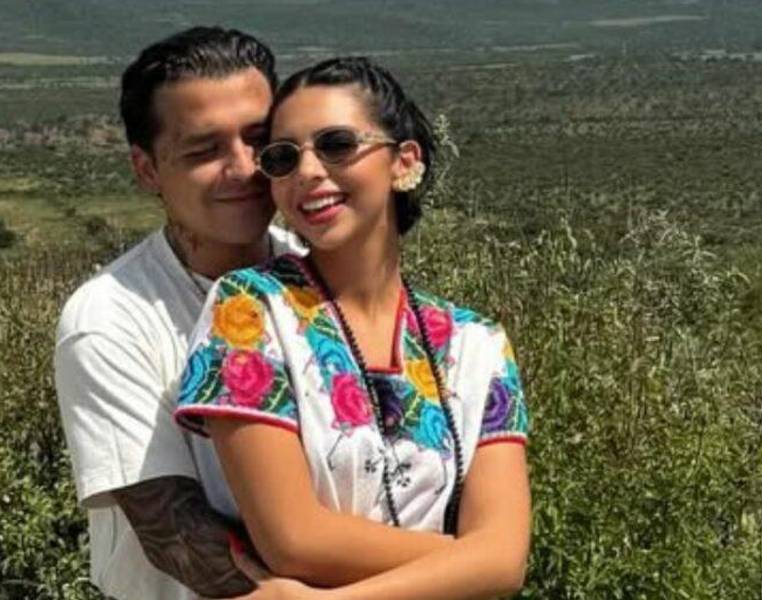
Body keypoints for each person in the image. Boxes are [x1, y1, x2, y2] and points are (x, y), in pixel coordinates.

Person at [174, 57, 531, 599]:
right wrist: (470, 559)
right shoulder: (249, 312)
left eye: (337, 145)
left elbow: (505, 562)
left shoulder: (476, 344)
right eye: (283, 157)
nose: (308, 172)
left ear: (404, 162)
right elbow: (293, 540)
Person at [54, 27, 301, 599]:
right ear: (147, 171)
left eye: (258, 139)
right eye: (203, 150)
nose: (244, 167)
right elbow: (177, 538)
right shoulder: (109, 321)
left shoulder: (325, 276)